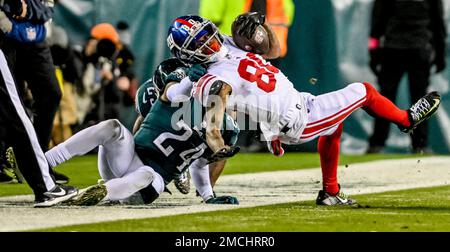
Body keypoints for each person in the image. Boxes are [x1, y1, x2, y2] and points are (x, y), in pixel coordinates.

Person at [166, 13, 441, 205]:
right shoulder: (208, 78)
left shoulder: (226, 44)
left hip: (295, 101)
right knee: (364, 91)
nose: (210, 44)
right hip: (295, 119)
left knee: (335, 126)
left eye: (209, 36)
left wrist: (262, 28)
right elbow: (214, 106)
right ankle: (406, 119)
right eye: (200, 44)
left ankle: (330, 193)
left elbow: (273, 52)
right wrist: (213, 136)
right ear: (187, 54)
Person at [45, 60, 240, 206]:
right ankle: (44, 162)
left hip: (150, 181)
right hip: (129, 160)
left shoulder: (218, 121)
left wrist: (208, 196)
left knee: (146, 174)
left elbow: (200, 164)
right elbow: (141, 127)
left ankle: (95, 193)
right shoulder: (162, 94)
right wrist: (189, 79)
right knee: (113, 126)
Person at [0, 0, 77, 207]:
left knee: (46, 95)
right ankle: (43, 182)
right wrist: (13, 7)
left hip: (29, 36)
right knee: (14, 109)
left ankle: (39, 161)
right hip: (6, 35)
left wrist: (24, 8)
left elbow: (46, 8)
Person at [134, 58, 239, 195]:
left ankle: (204, 185)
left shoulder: (198, 87)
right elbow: (141, 123)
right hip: (163, 127)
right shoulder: (148, 94)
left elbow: (229, 112)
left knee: (225, 137)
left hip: (191, 120)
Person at [367, 0, 446, 154]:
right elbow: (438, 22)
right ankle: (420, 145)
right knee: (418, 99)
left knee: (386, 98)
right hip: (416, 49)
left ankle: (377, 144)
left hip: (395, 49)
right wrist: (440, 53)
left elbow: (377, 20)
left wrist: (373, 51)